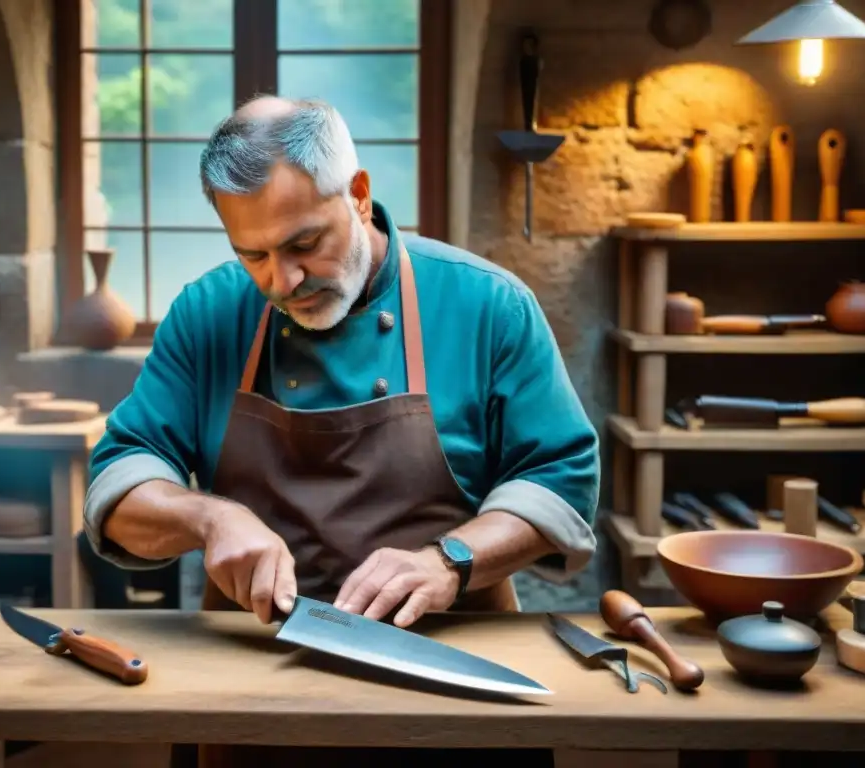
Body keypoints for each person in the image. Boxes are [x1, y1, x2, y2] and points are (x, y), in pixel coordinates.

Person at [83, 95, 600, 630]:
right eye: (252, 256)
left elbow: (561, 482)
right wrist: (209, 517)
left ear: (358, 194)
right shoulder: (206, 313)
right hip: (252, 656)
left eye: (304, 243)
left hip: (452, 651)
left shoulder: (489, 305)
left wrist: (449, 561)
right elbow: (119, 480)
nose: (283, 283)